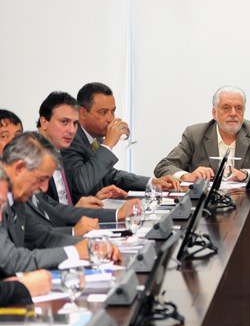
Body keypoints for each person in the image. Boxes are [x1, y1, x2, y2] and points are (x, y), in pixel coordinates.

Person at [0, 141, 118, 274]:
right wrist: (75, 252)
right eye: (41, 179)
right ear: (19, 168)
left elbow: (42, 238)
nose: (44, 188)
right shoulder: (8, 197)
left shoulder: (18, 197)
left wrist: (93, 246)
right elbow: (10, 260)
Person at [34, 92, 141, 234]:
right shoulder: (32, 158)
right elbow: (46, 213)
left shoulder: (56, 150)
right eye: (64, 122)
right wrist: (116, 214)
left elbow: (59, 204)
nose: (71, 130)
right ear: (44, 121)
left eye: (75, 123)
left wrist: (86, 203)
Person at [62, 82, 177, 202]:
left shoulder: (96, 136)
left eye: (112, 111)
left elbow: (110, 175)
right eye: (103, 112)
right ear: (83, 113)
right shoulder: (70, 139)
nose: (110, 119)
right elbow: (81, 185)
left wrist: (151, 183)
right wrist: (108, 145)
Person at [154, 85, 250, 182]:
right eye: (226, 107)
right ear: (214, 113)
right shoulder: (195, 134)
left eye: (238, 108)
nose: (233, 113)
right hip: (205, 202)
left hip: (246, 201)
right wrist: (187, 176)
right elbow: (164, 166)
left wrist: (245, 174)